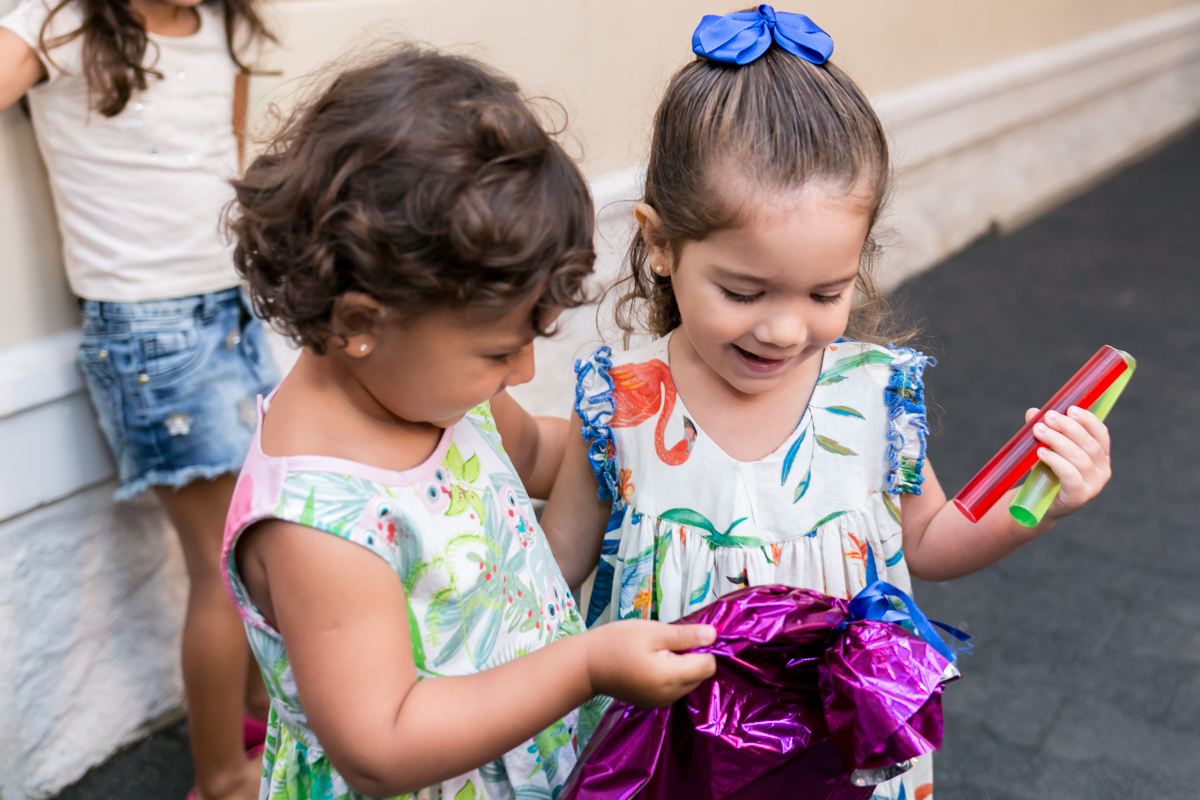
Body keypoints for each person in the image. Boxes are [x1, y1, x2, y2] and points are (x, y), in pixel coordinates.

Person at [539, 8, 1115, 800]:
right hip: (666, 767)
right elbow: (545, 579)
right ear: (661, 244)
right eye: (743, 291)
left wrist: (1039, 501)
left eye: (825, 292)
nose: (782, 328)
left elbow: (930, 543)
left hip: (841, 763)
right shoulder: (619, 404)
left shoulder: (874, 395)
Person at [220, 45, 717, 800]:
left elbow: (541, 454)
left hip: (519, 755)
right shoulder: (321, 527)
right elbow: (382, 744)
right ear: (361, 320)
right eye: (499, 349)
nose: (520, 372)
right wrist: (585, 666)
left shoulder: (429, 389)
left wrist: (650, 445)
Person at [0, 1, 278, 797]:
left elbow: (230, 159)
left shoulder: (221, 25)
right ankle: (221, 778)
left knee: (260, 546)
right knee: (222, 567)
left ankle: (256, 716)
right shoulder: (60, 23)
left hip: (231, 307)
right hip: (149, 330)